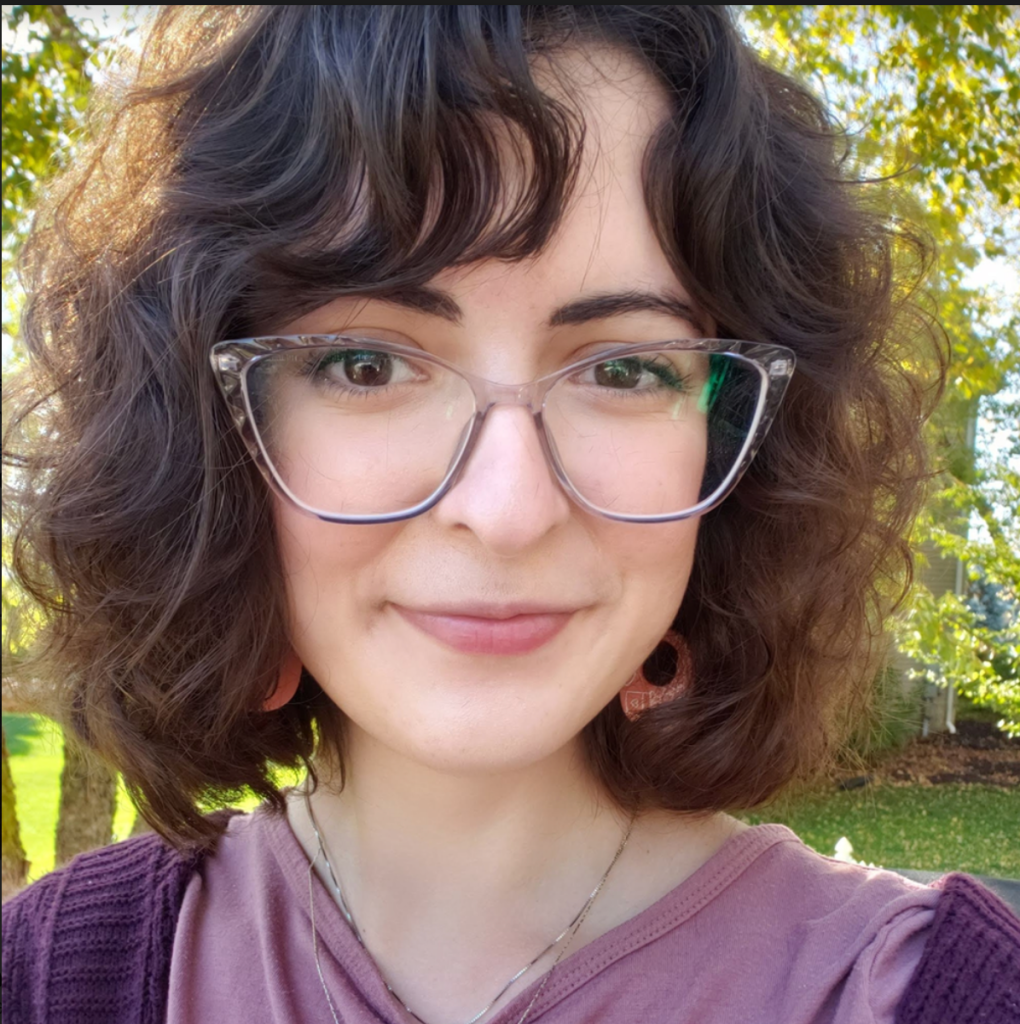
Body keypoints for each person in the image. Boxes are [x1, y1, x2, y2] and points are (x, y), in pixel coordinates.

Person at [2, 6, 1018, 1024]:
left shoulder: (947, 995)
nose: (507, 510)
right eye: (367, 363)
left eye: (624, 369)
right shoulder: (47, 981)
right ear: (212, 432)